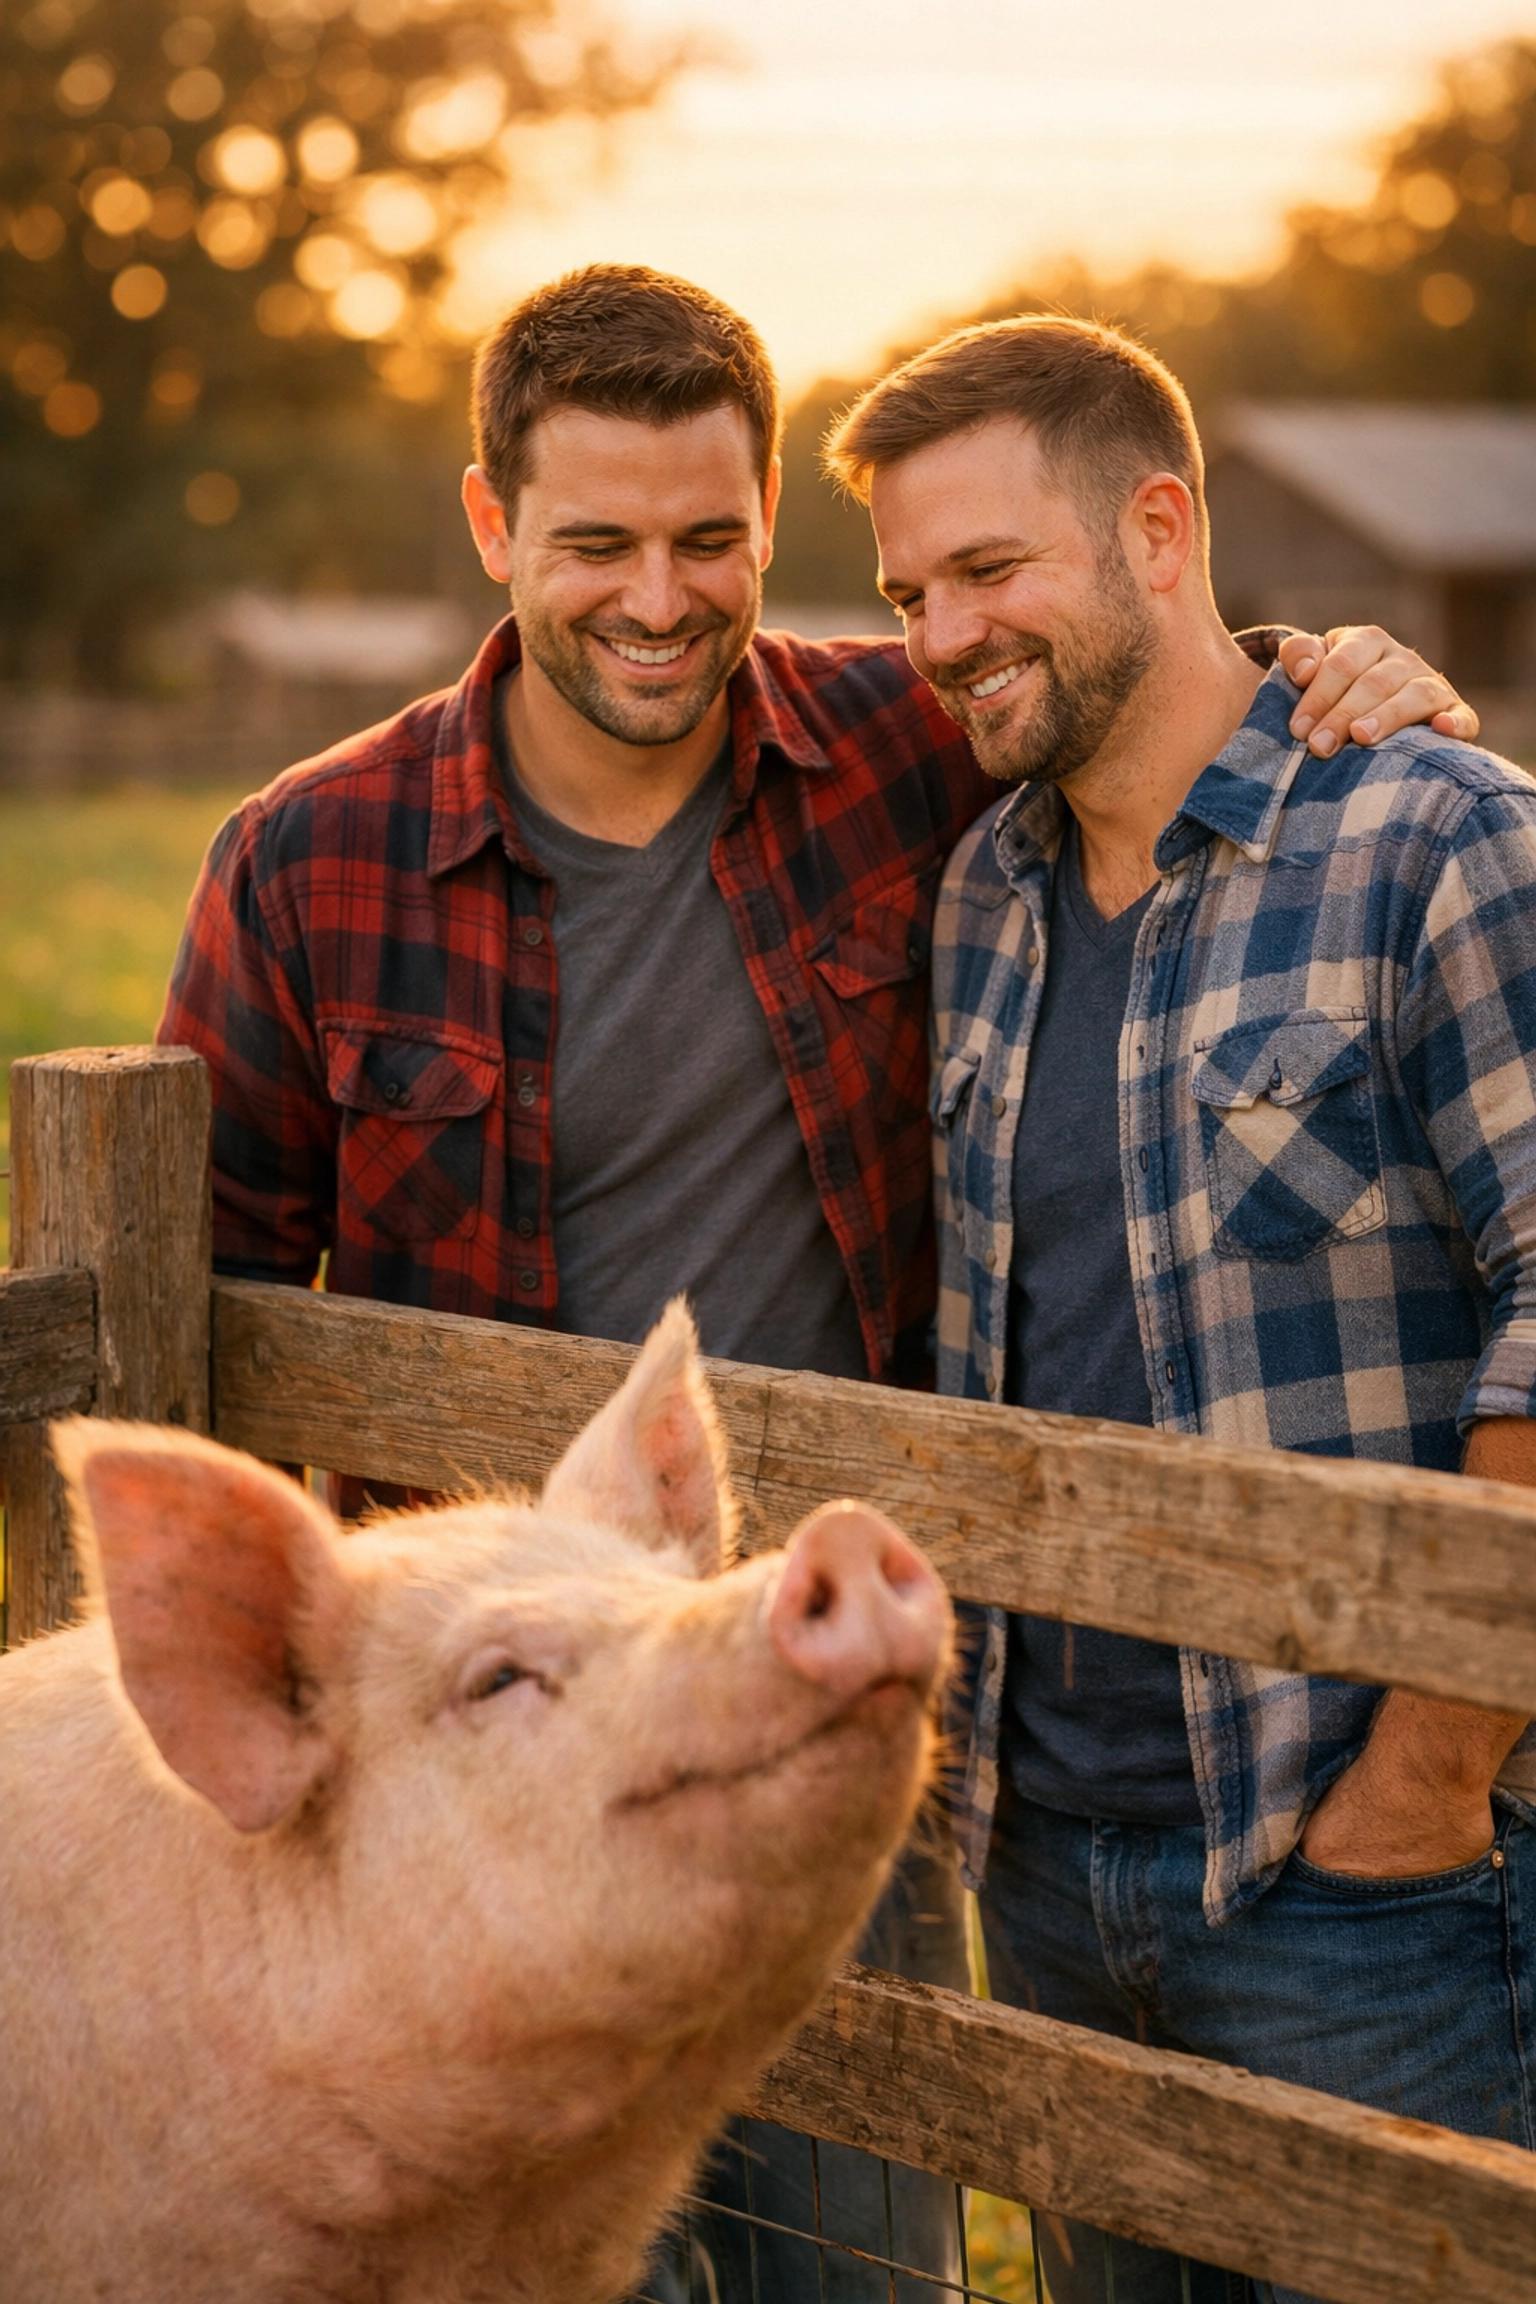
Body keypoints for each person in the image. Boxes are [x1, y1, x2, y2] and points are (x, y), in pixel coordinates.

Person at [159, 265, 1469, 2304]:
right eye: (594, 543)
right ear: (495, 524)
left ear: (769, 523)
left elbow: (1130, 677)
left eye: (710, 541)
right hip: (489, 1794)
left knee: (859, 2269)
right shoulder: (311, 862)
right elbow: (195, 1345)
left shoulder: (900, 748)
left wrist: (1327, 673)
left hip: (830, 1714)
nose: (657, 599)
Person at [825, 313, 1536, 2304]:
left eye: (988, 569)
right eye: (908, 593)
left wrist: (1422, 1788)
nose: (944, 635)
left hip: (1364, 1886)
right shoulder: (984, 898)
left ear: (1158, 530)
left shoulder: (1439, 841)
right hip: (1051, 1865)